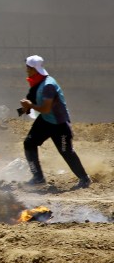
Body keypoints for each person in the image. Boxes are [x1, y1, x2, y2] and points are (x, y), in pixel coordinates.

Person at [19, 55, 91, 189]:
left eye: (28, 68)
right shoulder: (39, 83)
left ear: (35, 69)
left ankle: (84, 179)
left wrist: (30, 105)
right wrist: (25, 108)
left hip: (59, 124)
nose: (26, 70)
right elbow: (39, 105)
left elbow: (45, 108)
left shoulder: (48, 85)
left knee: (66, 152)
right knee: (29, 143)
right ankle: (38, 177)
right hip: (46, 121)